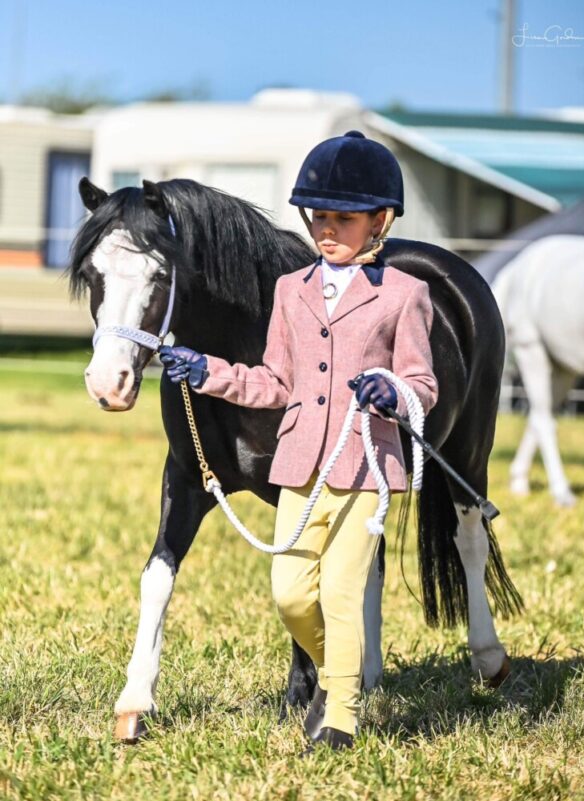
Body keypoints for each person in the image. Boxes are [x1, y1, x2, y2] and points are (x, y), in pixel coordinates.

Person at [159, 131, 438, 752]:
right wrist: (209, 372)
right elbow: (275, 381)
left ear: (380, 221)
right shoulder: (292, 290)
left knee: (340, 592)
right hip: (300, 465)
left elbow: (423, 383)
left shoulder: (405, 295)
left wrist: (394, 391)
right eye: (319, 217)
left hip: (365, 465)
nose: (328, 229)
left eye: (344, 218)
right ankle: (344, 675)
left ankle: (339, 713)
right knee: (290, 594)